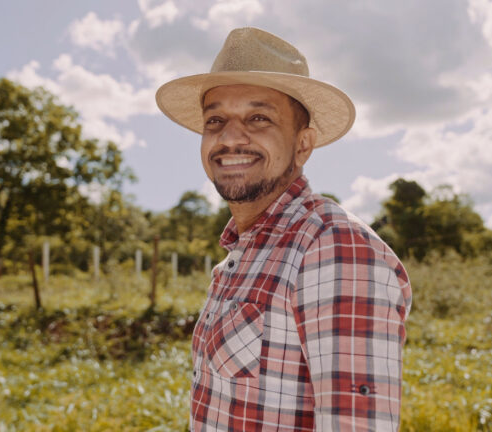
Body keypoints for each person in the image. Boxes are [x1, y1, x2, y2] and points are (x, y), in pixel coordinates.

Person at [156, 27, 412, 431]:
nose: (230, 137)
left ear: (303, 144)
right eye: (215, 120)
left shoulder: (333, 247)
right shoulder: (237, 260)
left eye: (258, 118)